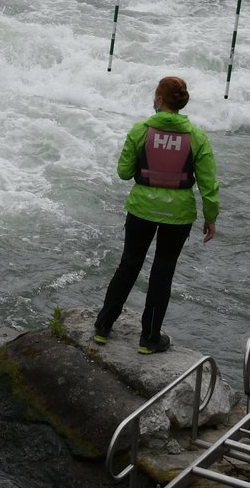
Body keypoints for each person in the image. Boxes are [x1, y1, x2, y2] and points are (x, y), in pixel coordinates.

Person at [93, 75, 219, 354]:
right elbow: (209, 185)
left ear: (159, 99)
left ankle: (103, 327)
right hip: (178, 216)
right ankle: (149, 338)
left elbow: (124, 173)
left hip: (141, 210)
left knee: (129, 264)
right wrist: (211, 218)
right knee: (162, 272)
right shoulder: (197, 137)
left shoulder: (141, 130)